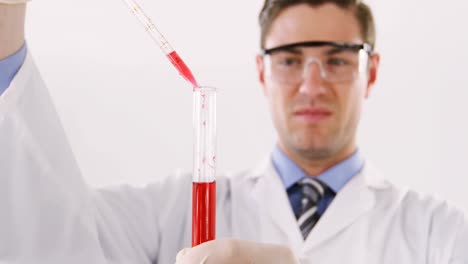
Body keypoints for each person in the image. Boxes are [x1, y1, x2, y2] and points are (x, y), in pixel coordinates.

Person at [1, 0, 467, 263]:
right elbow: (53, 235)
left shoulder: (438, 233)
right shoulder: (169, 211)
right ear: (262, 73)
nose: (311, 84)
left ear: (372, 71)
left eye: (337, 59)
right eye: (288, 60)